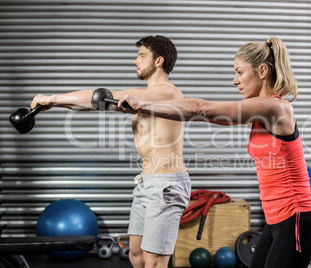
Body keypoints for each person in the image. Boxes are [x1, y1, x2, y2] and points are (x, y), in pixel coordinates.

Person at [118, 37, 311, 268]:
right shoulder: (258, 115)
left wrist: (143, 104)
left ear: (263, 71)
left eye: (239, 72)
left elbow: (202, 109)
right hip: (275, 221)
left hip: (296, 221)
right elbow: (204, 115)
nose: (235, 81)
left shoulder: (276, 108)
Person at [30, 35, 191, 268]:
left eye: (141, 55)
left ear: (158, 61)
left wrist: (53, 97)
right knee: (136, 254)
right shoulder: (144, 98)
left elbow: (103, 94)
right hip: (147, 182)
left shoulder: (167, 93)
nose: (135, 60)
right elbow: (96, 103)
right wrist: (54, 104)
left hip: (166, 185)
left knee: (154, 262)